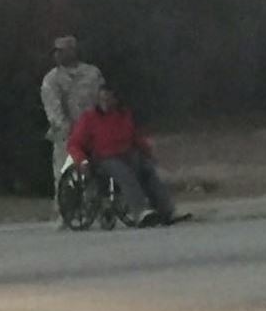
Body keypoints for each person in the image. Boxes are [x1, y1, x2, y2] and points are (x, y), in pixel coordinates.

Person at [68, 85, 179, 228]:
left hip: (126, 154)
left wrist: (148, 153)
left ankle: (166, 210)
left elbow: (135, 137)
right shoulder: (89, 119)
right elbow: (74, 143)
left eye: (108, 99)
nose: (105, 102)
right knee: (124, 173)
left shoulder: (123, 115)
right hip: (103, 158)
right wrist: (81, 161)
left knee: (147, 170)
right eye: (102, 99)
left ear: (115, 100)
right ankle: (141, 211)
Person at [40, 35, 104, 225]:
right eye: (56, 52)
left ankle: (97, 209)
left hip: (93, 131)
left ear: (73, 51)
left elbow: (101, 98)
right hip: (66, 135)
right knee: (63, 173)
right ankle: (65, 213)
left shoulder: (92, 74)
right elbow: (53, 108)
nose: (58, 55)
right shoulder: (52, 79)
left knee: (95, 170)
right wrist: (65, 127)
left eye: (63, 51)